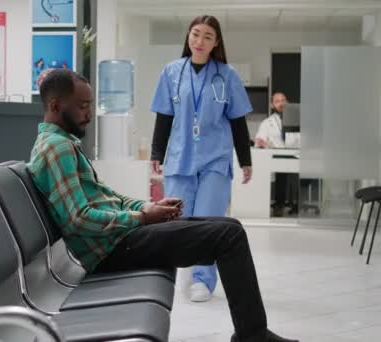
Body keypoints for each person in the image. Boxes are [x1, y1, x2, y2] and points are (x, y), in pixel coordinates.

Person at [27, 69, 298, 342]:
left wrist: (148, 207)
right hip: (111, 249)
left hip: (118, 239)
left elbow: (108, 197)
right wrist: (142, 218)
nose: (88, 113)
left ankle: (252, 334)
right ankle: (254, 337)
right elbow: (79, 219)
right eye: (83, 106)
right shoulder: (57, 148)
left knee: (230, 226)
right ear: (55, 106)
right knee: (229, 236)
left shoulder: (63, 144)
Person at [149, 15, 253, 302]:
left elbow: (237, 122)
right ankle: (184, 269)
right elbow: (164, 116)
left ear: (216, 42)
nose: (200, 41)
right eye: (196, 34)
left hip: (215, 159)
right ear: (188, 37)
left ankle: (203, 279)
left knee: (209, 220)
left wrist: (246, 160)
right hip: (180, 156)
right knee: (178, 220)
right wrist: (157, 153)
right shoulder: (172, 72)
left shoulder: (227, 74)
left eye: (208, 36)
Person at [255, 92, 298, 217]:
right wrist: (261, 142)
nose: (281, 103)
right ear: (272, 105)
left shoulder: (299, 120)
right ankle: (279, 205)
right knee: (281, 172)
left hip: (297, 155)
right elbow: (260, 138)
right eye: (277, 101)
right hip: (278, 157)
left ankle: (297, 204)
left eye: (283, 100)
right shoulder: (267, 123)